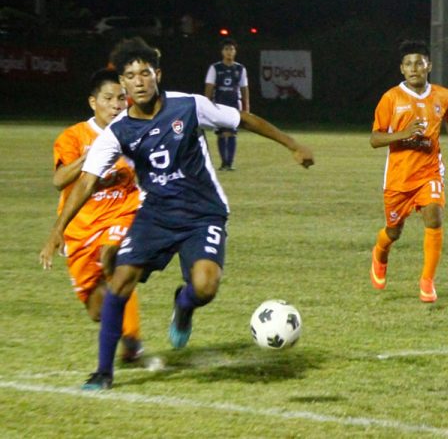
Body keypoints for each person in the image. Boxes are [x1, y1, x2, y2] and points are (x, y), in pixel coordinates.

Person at [39, 37, 314, 390]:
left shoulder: (189, 106)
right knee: (119, 279)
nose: (139, 81)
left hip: (203, 214)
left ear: (158, 75)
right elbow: (86, 181)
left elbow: (241, 119)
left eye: (145, 73)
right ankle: (103, 372)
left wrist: (292, 144)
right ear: (122, 84)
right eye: (130, 75)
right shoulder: (116, 132)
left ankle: (184, 305)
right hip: (155, 215)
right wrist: (57, 229)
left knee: (205, 286)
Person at [51, 68, 143, 363]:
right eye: (109, 98)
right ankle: (122, 330)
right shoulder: (73, 136)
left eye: (121, 98)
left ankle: (132, 340)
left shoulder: (134, 132)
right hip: (80, 230)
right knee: (96, 310)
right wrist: (94, 155)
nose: (117, 104)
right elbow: (60, 179)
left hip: (121, 214)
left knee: (113, 258)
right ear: (94, 102)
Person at [369, 40, 448, 303]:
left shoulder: (443, 96)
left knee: (434, 217)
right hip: (399, 178)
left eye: (419, 62)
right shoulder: (391, 98)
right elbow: (375, 138)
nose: (414, 68)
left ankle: (427, 281)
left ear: (429, 66)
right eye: (409, 64)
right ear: (402, 69)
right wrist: (402, 134)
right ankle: (380, 252)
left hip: (430, 171)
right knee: (394, 231)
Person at [204, 38, 249, 171]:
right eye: (226, 49)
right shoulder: (215, 68)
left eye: (231, 49)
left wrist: (246, 106)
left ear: (235, 52)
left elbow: (244, 88)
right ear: (222, 52)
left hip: (234, 104)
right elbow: (209, 87)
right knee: (222, 133)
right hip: (219, 104)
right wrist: (206, 105)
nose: (229, 52)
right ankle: (224, 163)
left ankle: (229, 163)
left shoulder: (240, 68)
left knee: (232, 133)